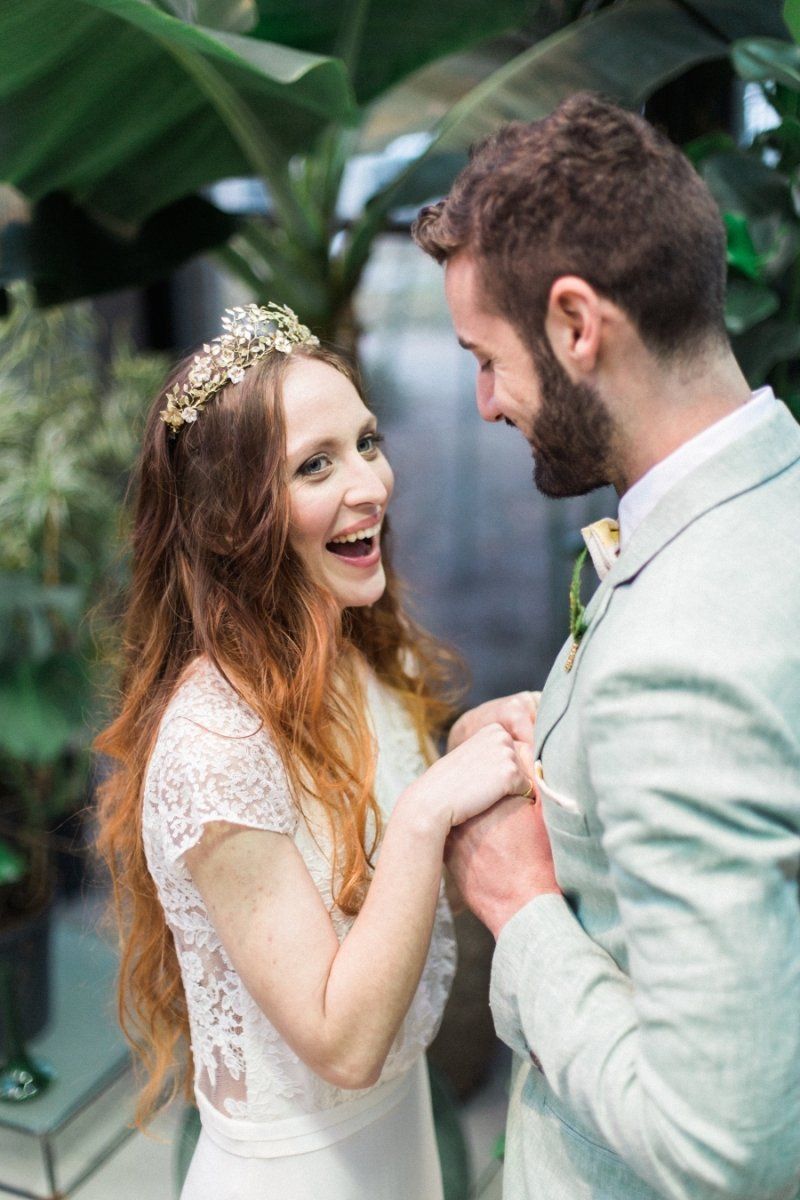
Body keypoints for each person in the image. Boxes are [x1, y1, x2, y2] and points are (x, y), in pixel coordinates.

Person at [413, 93, 800, 1200]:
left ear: (577, 325)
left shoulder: (685, 659)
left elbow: (724, 1146)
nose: (484, 404)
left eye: (486, 358)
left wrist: (518, 905)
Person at [94, 302, 534, 1200]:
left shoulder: (366, 645)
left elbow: (370, 861)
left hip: (401, 1137)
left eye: (367, 443)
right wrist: (429, 809)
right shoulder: (212, 747)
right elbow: (341, 1040)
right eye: (315, 466)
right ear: (232, 518)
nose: (372, 485)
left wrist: (451, 744)